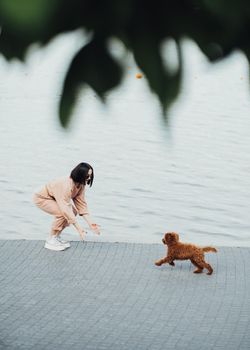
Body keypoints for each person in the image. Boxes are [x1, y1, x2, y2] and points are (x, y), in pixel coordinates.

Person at [33, 162, 100, 251]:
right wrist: (79, 229)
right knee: (62, 213)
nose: (89, 178)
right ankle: (51, 239)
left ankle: (56, 236)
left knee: (73, 212)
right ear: (80, 175)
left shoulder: (80, 184)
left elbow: (81, 204)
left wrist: (91, 224)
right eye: (87, 176)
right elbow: (65, 209)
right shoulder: (66, 185)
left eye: (90, 176)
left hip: (55, 198)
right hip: (42, 198)